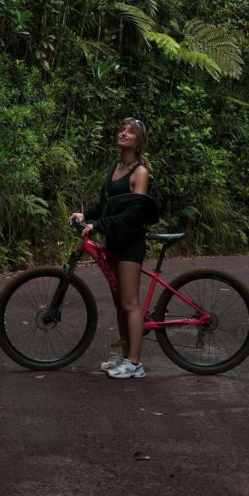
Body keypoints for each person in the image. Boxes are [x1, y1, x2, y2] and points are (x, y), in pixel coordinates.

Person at [69, 117, 158, 379]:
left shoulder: (139, 172)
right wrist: (85, 215)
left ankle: (135, 363)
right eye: (121, 129)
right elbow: (105, 204)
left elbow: (135, 214)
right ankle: (125, 353)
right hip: (114, 241)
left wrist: (98, 226)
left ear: (139, 141)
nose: (123, 133)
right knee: (120, 302)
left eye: (130, 132)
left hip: (130, 242)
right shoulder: (115, 167)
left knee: (130, 303)